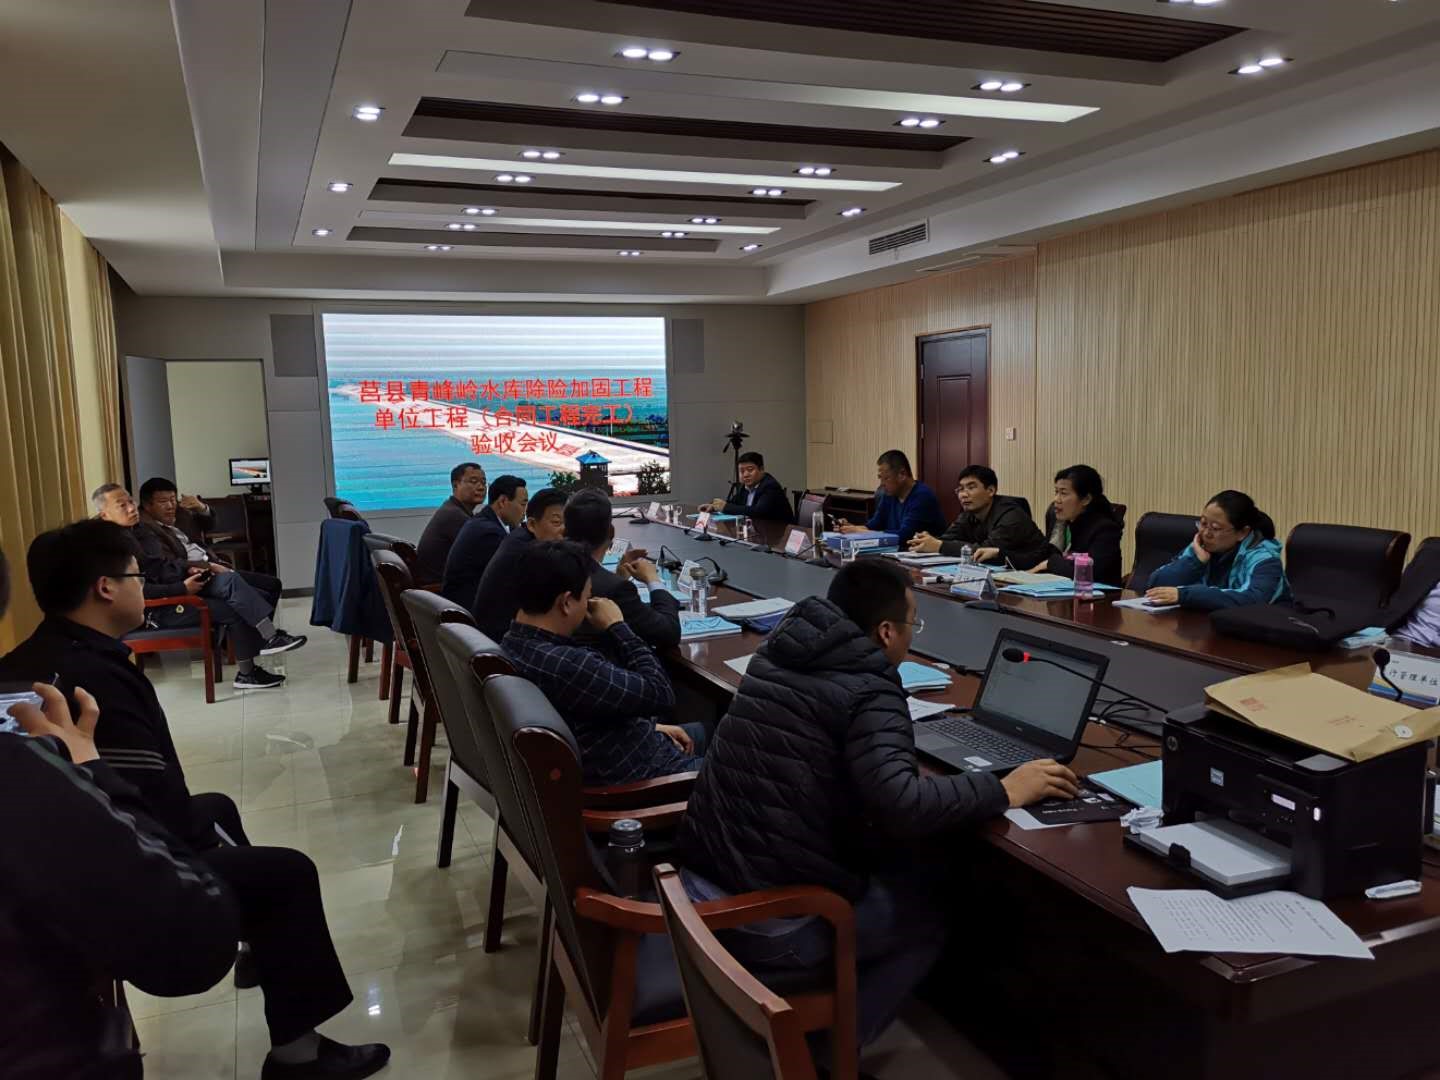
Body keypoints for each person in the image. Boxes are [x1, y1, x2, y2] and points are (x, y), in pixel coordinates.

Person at [0, 521, 390, 1079]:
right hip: (116, 874)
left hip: (66, 850)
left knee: (218, 807)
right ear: (106, 588)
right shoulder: (94, 681)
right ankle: (298, 1055)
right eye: (137, 577)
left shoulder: (32, 658)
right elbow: (148, 810)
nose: (144, 588)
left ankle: (258, 943)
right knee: (287, 873)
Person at [677, 559, 1078, 1053]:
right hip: (770, 924)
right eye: (913, 624)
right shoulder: (869, 685)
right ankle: (827, 1055)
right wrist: (1005, 790)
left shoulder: (777, 653)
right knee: (930, 909)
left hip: (704, 887)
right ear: (886, 631)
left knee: (906, 862)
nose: (912, 634)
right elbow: (901, 804)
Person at [501, 540, 703, 785]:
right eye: (587, 597)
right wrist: (618, 626)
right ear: (566, 603)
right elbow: (660, 692)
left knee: (710, 731)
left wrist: (651, 727)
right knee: (739, 754)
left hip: (618, 744)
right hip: (648, 777)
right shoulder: (570, 665)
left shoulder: (512, 643)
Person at [97, 483, 301, 691]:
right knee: (231, 590)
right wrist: (182, 588)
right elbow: (139, 591)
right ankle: (264, 645)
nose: (131, 508)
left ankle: (255, 661)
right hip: (154, 610)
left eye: (131, 501)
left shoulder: (138, 531)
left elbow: (161, 566)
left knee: (235, 590)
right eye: (122, 505)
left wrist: (188, 570)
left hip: (175, 588)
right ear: (104, 515)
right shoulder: (111, 549)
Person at [566, 488, 681, 652]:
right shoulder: (616, 589)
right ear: (611, 532)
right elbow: (668, 633)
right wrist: (653, 580)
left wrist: (618, 577)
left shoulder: (548, 567)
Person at [1146, 490, 1291, 610]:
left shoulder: (1265, 559)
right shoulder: (1200, 547)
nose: (1206, 533)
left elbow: (1254, 600)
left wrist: (1185, 595)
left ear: (1242, 532)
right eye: (1203, 523)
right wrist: (1195, 562)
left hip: (1265, 630)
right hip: (1211, 624)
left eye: (1215, 528)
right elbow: (1156, 584)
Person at [471, 487, 567, 640]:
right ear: (532, 524)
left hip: (487, 636)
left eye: (569, 523)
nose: (564, 530)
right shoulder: (530, 554)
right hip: (500, 642)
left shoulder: (519, 538)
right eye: (556, 522)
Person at [908, 464, 1048, 567]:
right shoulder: (968, 513)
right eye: (960, 489)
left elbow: (984, 552)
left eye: (971, 487)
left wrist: (938, 545)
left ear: (991, 490)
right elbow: (947, 538)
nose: (963, 494)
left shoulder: (1012, 516)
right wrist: (927, 541)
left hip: (1036, 574)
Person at [441, 474, 527, 609]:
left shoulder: (483, 521)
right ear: (503, 501)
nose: (525, 511)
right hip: (468, 611)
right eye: (523, 504)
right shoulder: (489, 534)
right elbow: (514, 577)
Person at [1030, 465, 1125, 587]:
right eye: (1056, 492)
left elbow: (1088, 573)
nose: (1056, 499)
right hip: (1061, 591)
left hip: (1097, 596)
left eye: (1063, 493)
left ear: (1086, 499)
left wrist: (1051, 563)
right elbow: (1042, 555)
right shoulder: (1060, 523)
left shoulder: (1105, 530)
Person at [838, 450, 946, 548]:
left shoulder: (923, 497)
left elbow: (904, 537)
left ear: (902, 474)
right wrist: (850, 528)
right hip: (895, 553)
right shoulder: (889, 494)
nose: (882, 484)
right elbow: (873, 526)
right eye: (880, 478)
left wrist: (860, 531)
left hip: (920, 556)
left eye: (886, 478)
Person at [415, 462, 487, 583]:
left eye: (484, 482)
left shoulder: (454, 509)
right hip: (439, 588)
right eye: (474, 482)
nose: (481, 487)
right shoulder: (453, 515)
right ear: (455, 485)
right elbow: (483, 554)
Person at [704, 451, 794, 524]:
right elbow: (733, 503)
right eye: (742, 471)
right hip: (757, 531)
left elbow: (759, 512)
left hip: (778, 534)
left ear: (761, 469)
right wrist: (713, 506)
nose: (745, 475)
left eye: (750, 470)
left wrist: (725, 507)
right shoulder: (745, 486)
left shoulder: (770, 486)